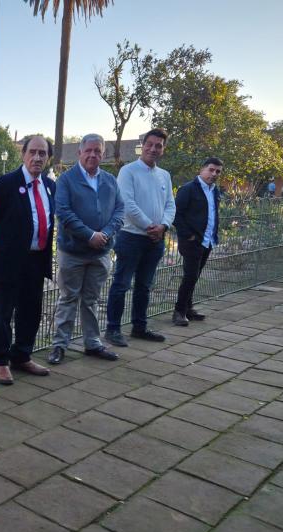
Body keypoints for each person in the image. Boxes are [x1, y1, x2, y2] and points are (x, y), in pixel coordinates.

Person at [47, 134, 124, 365]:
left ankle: (92, 343)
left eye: (97, 151)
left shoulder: (110, 180)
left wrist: (105, 234)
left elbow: (120, 211)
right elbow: (63, 212)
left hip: (100, 253)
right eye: (88, 150)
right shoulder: (66, 180)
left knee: (92, 300)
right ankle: (60, 345)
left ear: (103, 154)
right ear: (79, 152)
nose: (92, 155)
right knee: (68, 298)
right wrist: (90, 235)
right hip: (73, 252)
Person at [0, 136, 56, 384]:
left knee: (31, 311)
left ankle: (22, 355)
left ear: (48, 158)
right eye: (32, 152)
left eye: (42, 153)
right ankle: (1, 362)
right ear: (23, 154)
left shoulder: (50, 185)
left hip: (36, 260)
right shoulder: (5, 184)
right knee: (4, 314)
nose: (37, 157)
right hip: (8, 262)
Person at [105, 128, 175, 347]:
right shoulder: (128, 171)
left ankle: (139, 327)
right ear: (142, 145)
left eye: (158, 146)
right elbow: (127, 204)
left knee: (145, 286)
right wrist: (150, 226)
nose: (153, 149)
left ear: (163, 149)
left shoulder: (164, 175)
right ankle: (113, 329)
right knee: (121, 284)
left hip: (155, 240)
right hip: (131, 237)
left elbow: (170, 205)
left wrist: (163, 226)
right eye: (150, 144)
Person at [172, 157, 223, 326]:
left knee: (195, 276)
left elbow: (213, 213)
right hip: (192, 241)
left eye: (217, 171)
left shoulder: (214, 190)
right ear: (202, 169)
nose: (214, 174)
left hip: (207, 240)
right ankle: (179, 312)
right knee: (190, 276)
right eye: (211, 169)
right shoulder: (188, 189)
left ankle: (188, 308)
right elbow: (176, 214)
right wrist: (188, 235)